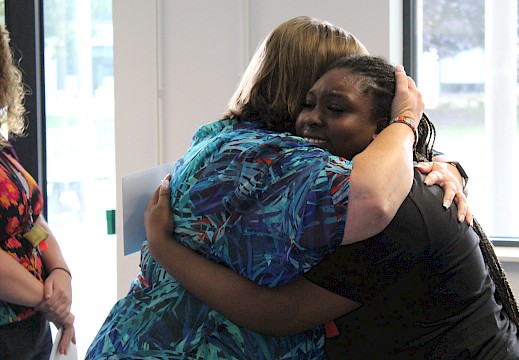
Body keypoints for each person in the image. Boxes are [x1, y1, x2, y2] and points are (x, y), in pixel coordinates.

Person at [86, 16, 466, 360]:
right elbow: (372, 197)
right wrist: (404, 121)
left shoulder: (225, 139)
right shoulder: (276, 160)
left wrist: (448, 168)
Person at [145, 55, 519, 359]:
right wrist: (450, 164)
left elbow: (274, 312)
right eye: (308, 104)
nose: (310, 120)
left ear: (382, 128)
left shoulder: (395, 211)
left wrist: (163, 247)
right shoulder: (346, 180)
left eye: (336, 109)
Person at [0, 23, 76, 359]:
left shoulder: (1, 147)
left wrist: (60, 271)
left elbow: (31, 225)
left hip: (32, 326)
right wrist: (51, 301)